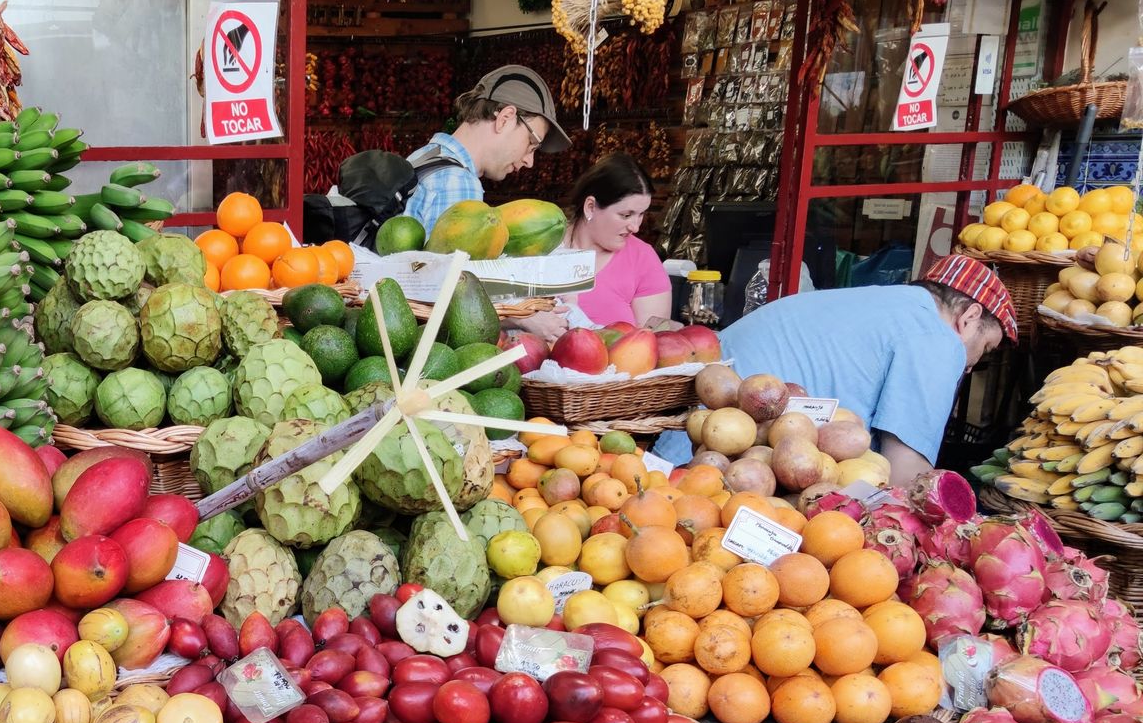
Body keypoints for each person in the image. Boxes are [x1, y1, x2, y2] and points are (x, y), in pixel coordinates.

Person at [654, 254, 1016, 487]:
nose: (970, 368)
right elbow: (907, 475)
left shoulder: (876, 301)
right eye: (984, 351)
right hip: (729, 467)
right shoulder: (936, 337)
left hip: (677, 447)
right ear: (968, 318)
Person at [404, 64, 571, 237]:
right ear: (505, 119)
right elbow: (456, 264)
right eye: (532, 143)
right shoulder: (458, 182)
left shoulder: (425, 157)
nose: (530, 161)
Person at [520, 154, 671, 342]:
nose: (636, 227)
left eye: (641, 214)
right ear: (590, 207)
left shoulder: (643, 258)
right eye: (626, 215)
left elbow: (652, 344)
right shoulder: (540, 247)